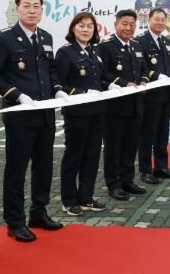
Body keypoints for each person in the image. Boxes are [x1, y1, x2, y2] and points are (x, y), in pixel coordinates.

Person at [0, 0, 66, 243]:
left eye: (36, 6)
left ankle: (38, 213)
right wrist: (17, 95)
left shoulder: (45, 37)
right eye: (27, 6)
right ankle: (15, 221)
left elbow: (50, 70)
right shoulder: (4, 39)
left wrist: (58, 88)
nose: (32, 10)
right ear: (17, 9)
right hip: (20, 116)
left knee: (44, 166)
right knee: (16, 170)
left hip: (45, 114)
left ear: (42, 10)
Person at [55, 12, 109, 216]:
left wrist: (113, 85)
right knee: (74, 156)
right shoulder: (65, 53)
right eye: (81, 25)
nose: (86, 29)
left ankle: (86, 197)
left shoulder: (94, 52)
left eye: (90, 26)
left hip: (97, 112)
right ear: (73, 28)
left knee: (92, 156)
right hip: (77, 113)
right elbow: (59, 84)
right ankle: (69, 200)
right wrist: (83, 92)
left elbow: (100, 79)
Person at [97, 9, 149, 201]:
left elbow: (144, 70)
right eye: (124, 24)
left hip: (136, 106)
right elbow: (103, 74)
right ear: (116, 25)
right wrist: (124, 84)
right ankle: (114, 184)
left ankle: (127, 180)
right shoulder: (105, 47)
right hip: (115, 108)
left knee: (130, 146)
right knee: (113, 148)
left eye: (132, 25)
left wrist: (143, 82)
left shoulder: (136, 45)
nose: (128, 28)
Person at [136, 7, 170, 183]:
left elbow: (169, 66)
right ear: (149, 20)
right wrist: (156, 76)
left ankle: (161, 167)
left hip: (166, 95)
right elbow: (141, 67)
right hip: (150, 96)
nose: (160, 23)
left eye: (163, 20)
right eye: (157, 19)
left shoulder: (166, 41)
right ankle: (145, 170)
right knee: (148, 134)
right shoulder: (141, 41)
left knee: (162, 133)